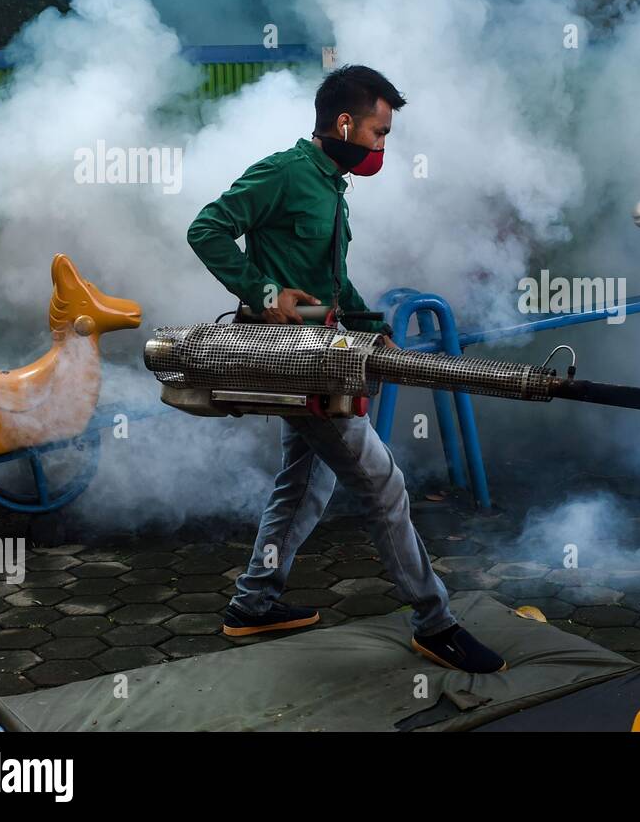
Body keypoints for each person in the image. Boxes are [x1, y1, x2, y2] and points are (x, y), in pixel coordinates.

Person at [186, 64, 505, 674]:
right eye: (380, 133)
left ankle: (253, 602)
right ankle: (435, 622)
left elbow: (332, 281)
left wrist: (366, 322)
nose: (383, 146)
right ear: (344, 123)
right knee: (383, 485)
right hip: (292, 361)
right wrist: (265, 290)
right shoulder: (283, 173)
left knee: (305, 484)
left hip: (326, 355)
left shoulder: (330, 186)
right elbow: (208, 229)